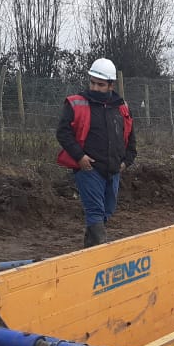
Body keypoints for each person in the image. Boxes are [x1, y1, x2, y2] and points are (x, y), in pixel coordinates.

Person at [56, 58, 136, 248]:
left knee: (107, 210)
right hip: (89, 168)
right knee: (95, 211)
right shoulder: (77, 104)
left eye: (100, 84)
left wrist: (127, 160)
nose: (95, 88)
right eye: (92, 82)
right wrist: (79, 157)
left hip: (114, 168)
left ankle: (90, 246)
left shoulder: (121, 107)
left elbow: (130, 134)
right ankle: (99, 250)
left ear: (110, 85)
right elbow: (63, 132)